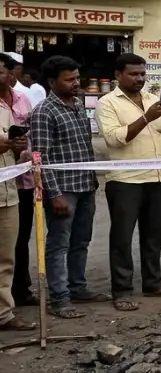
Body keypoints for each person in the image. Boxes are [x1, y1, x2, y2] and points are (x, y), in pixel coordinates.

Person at [96, 53, 161, 310]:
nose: (139, 78)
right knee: (122, 239)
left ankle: (153, 283)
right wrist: (147, 117)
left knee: (154, 235)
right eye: (133, 74)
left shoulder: (152, 99)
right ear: (118, 75)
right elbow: (115, 139)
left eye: (142, 74)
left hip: (156, 177)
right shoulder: (107, 103)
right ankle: (122, 291)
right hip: (125, 181)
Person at [30, 56, 104, 318]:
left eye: (77, 78)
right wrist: (54, 194)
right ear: (52, 82)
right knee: (58, 244)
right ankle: (59, 298)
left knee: (81, 240)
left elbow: (84, 145)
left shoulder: (78, 104)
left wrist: (92, 178)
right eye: (69, 79)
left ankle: (77, 287)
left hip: (85, 184)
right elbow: (41, 157)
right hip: (63, 189)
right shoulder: (44, 111)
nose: (76, 83)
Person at [0, 55, 35, 307]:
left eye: (3, 72)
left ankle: (14, 300)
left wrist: (19, 147)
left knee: (14, 245)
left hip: (16, 182)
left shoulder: (20, 100)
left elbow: (23, 141)